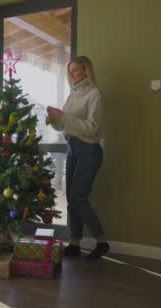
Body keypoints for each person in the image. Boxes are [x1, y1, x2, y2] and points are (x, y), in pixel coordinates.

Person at [46, 56, 109, 260]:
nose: (71, 74)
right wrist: (55, 119)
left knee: (77, 198)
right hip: (73, 148)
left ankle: (102, 241)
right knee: (72, 199)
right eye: (69, 71)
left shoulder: (95, 94)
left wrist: (63, 117)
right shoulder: (72, 95)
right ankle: (75, 242)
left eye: (75, 70)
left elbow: (93, 128)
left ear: (86, 70)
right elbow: (65, 125)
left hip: (89, 150)